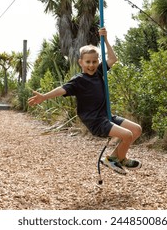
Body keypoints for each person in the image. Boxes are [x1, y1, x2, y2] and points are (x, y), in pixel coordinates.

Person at [28, 27, 142, 175]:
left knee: (136, 130)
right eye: (88, 62)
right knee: (127, 135)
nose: (91, 65)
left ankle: (117, 157)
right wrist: (44, 96)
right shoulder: (78, 81)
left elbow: (113, 59)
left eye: (94, 61)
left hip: (106, 116)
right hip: (95, 121)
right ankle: (117, 159)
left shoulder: (99, 72)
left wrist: (105, 39)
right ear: (80, 62)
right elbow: (62, 89)